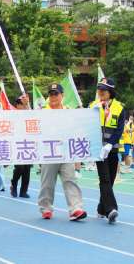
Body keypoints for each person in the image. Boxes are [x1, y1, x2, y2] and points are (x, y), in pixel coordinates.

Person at [38, 84, 87, 221]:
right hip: (49, 152)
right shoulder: (42, 111)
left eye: (56, 94)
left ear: (62, 96)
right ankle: (46, 208)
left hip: (66, 151)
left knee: (70, 180)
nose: (53, 97)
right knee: (47, 183)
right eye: (51, 94)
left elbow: (77, 129)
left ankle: (75, 208)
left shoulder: (69, 111)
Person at [89, 78, 125, 224]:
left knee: (110, 181)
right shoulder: (93, 106)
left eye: (103, 90)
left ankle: (100, 208)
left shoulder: (119, 108)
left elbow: (119, 129)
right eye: (99, 90)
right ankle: (111, 210)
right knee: (104, 179)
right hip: (99, 150)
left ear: (110, 92)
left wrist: (109, 144)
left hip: (113, 150)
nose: (100, 92)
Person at [10, 95, 31, 198]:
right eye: (20, 104)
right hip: (17, 145)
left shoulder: (28, 114)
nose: (22, 106)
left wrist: (27, 104)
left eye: (23, 104)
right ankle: (13, 184)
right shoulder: (13, 116)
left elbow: (31, 116)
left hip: (29, 144)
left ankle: (23, 191)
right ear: (17, 105)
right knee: (20, 167)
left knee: (27, 169)